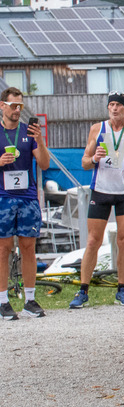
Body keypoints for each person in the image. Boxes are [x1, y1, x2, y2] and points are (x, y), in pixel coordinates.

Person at [71, 92, 124, 309]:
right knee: (93, 241)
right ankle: (83, 290)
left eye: (118, 105)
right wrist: (94, 158)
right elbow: (84, 163)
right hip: (100, 191)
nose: (114, 108)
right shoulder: (97, 129)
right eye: (111, 105)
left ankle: (121, 289)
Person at [0, 88, 50, 321]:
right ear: (2, 106)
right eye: (12, 106)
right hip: (3, 197)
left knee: (29, 247)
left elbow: (45, 163)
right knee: (3, 249)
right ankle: (3, 302)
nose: (17, 110)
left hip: (27, 197)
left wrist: (39, 139)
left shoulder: (28, 133)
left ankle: (29, 300)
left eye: (20, 106)